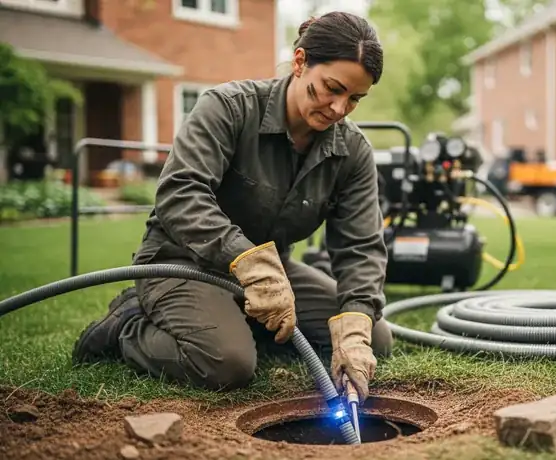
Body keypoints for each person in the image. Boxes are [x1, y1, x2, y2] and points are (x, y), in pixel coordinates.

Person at [71, 11, 391, 404]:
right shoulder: (228, 107)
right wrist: (247, 261)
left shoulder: (353, 151)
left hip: (272, 274)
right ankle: (128, 327)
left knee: (375, 336)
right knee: (228, 365)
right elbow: (180, 193)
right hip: (183, 263)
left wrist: (356, 324)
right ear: (300, 62)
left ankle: (241, 323)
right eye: (332, 88)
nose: (340, 108)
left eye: (355, 98)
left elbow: (361, 247)